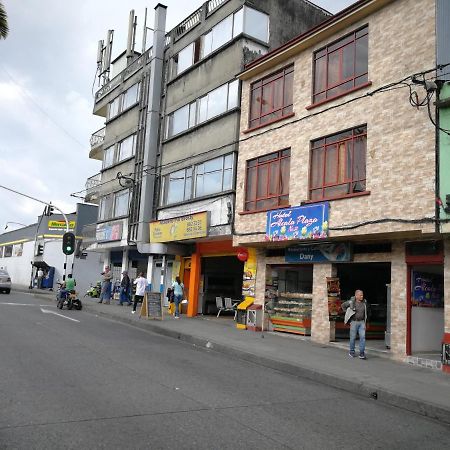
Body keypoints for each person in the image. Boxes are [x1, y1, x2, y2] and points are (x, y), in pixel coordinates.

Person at [341, 289, 370, 359]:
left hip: (362, 322)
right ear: (356, 295)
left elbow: (367, 313)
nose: (362, 296)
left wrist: (367, 322)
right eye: (360, 295)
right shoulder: (351, 302)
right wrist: (347, 312)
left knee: (362, 338)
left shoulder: (364, 302)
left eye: (362, 295)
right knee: (353, 338)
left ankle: (362, 353)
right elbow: (343, 306)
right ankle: (352, 352)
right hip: (354, 322)